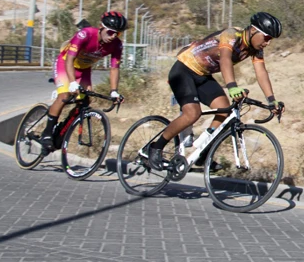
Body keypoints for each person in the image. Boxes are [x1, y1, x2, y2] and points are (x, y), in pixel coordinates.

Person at [146, 12, 285, 167]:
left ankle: (202, 153)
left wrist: (272, 100)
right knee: (192, 113)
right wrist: (232, 87)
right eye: (267, 37)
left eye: (271, 39)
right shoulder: (232, 35)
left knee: (225, 111)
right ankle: (155, 148)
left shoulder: (256, 49)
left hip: (202, 75)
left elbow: (261, 72)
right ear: (253, 31)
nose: (268, 43)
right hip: (183, 69)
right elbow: (225, 58)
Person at [41, 11, 127, 152]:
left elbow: (114, 69)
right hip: (65, 64)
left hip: (84, 69)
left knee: (85, 100)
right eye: (110, 32)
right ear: (101, 27)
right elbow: (69, 59)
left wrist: (114, 91)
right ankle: (47, 133)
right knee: (65, 95)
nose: (113, 37)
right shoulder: (85, 34)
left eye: (117, 34)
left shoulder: (116, 45)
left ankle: (62, 131)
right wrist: (72, 82)